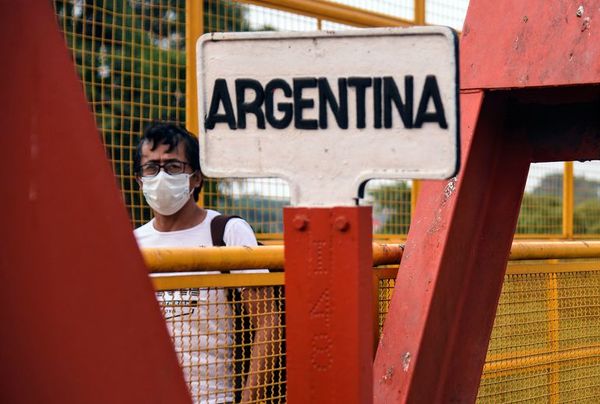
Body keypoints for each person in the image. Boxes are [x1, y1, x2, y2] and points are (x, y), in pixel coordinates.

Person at [133, 122, 280, 403]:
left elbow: (267, 321)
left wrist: (250, 400)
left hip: (214, 397)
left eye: (173, 166)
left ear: (196, 178)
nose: (161, 176)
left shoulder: (228, 232)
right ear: (139, 179)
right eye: (151, 168)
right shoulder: (133, 243)